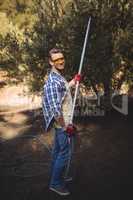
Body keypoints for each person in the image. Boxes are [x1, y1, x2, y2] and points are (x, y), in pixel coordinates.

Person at [42, 48, 81, 196]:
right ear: (51, 62)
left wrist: (73, 82)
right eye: (56, 59)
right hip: (63, 124)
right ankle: (56, 183)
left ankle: (57, 177)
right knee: (64, 154)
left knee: (57, 152)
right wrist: (66, 127)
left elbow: (62, 89)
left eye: (62, 58)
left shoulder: (58, 77)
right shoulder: (52, 81)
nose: (60, 61)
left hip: (64, 123)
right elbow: (55, 109)